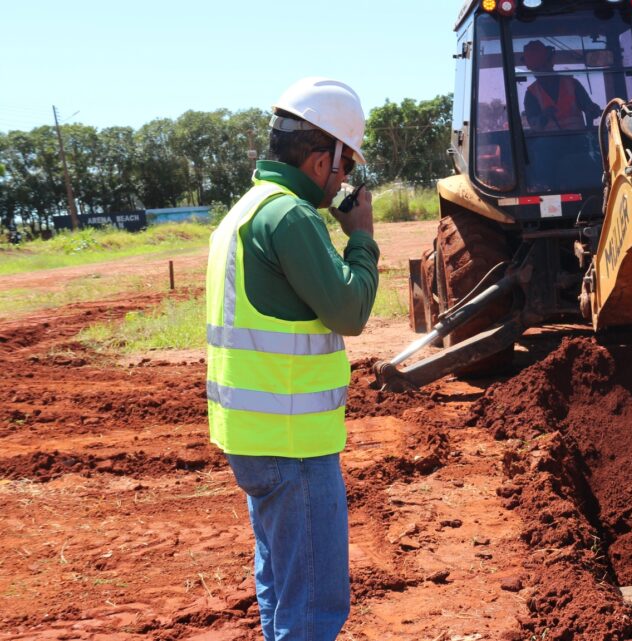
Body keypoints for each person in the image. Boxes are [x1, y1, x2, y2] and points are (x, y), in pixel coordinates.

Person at [204, 77, 379, 641]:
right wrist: (361, 237)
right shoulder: (291, 217)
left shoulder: (243, 213)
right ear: (322, 155)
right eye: (346, 164)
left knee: (280, 584)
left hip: (253, 439)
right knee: (313, 603)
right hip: (294, 443)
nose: (345, 177)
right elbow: (350, 311)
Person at [521, 39, 602, 131]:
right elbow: (534, 125)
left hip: (579, 141)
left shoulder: (572, 85)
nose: (541, 72)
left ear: (550, 62)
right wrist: (544, 117)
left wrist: (593, 110)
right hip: (548, 144)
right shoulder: (531, 94)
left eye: (543, 66)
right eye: (536, 69)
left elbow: (589, 108)